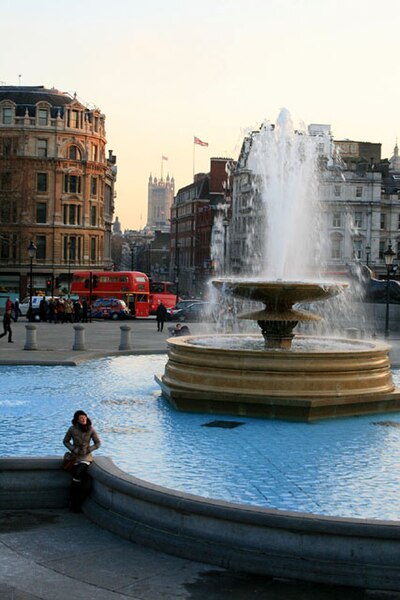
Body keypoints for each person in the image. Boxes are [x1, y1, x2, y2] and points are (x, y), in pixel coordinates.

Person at [63, 410, 101, 513]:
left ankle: (75, 501)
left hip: (86, 457)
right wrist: (73, 449)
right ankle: (75, 502)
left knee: (78, 473)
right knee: (77, 478)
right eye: (81, 418)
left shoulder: (91, 429)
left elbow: (98, 443)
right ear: (77, 420)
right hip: (75, 457)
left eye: (84, 417)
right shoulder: (72, 429)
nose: (83, 419)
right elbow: (65, 441)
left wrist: (89, 449)